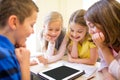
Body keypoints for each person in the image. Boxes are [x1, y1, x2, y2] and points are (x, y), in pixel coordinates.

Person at [0, 0, 39, 80]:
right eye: (31, 25)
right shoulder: (4, 57)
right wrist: (25, 65)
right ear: (14, 22)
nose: (33, 31)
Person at [84, 0, 120, 80]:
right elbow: (103, 63)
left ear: (108, 24)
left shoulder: (103, 45)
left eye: (92, 26)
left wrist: (103, 48)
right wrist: (108, 76)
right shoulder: (105, 42)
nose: (89, 32)